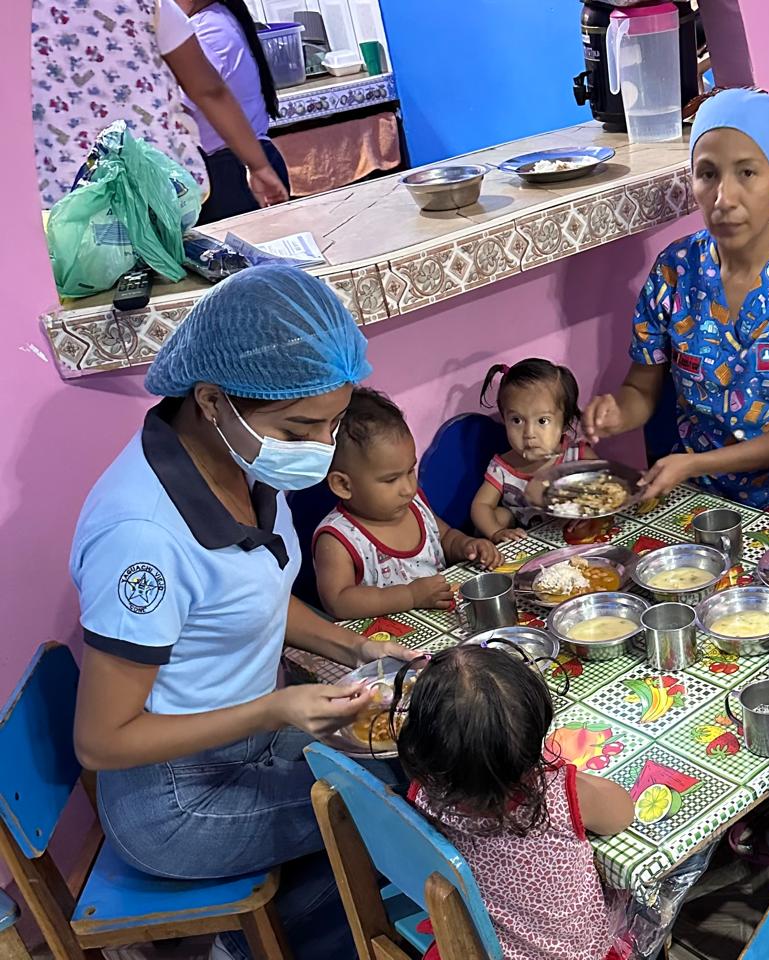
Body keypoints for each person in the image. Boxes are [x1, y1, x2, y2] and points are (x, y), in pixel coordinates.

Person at [69, 264, 407, 960]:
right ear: (212, 400)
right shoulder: (142, 536)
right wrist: (273, 710)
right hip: (175, 800)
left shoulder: (244, 461)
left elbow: (253, 597)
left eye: (334, 423)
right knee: (410, 799)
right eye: (301, 427)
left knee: (408, 759)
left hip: (250, 742)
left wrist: (354, 648)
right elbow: (101, 742)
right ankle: (247, 944)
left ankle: (268, 934)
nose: (320, 447)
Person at [582, 88, 769, 516]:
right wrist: (617, 413)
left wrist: (695, 464)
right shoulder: (675, 270)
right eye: (708, 174)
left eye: (747, 173)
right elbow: (641, 389)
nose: (724, 198)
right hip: (698, 495)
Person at [397, 644, 636, 960]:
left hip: (474, 947)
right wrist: (569, 775)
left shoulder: (425, 794)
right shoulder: (559, 795)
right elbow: (622, 813)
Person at [32, 0, 287, 210]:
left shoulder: (210, 27)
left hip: (63, 190)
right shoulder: (151, 6)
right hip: (155, 182)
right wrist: (258, 165)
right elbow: (207, 90)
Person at [314, 387, 500, 620]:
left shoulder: (414, 504)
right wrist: (410, 596)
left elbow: (445, 537)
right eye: (391, 480)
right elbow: (338, 602)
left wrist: (468, 546)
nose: (408, 488)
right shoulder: (338, 537)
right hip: (388, 638)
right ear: (343, 485)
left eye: (410, 471)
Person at [176, 0, 292, 223]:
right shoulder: (217, 19)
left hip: (233, 170)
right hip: (240, 164)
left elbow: (180, 105)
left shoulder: (207, 30)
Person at [471, 359, 596, 542]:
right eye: (517, 420)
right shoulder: (503, 468)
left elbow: (606, 488)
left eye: (542, 421)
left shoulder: (577, 456)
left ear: (564, 422)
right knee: (499, 516)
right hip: (526, 544)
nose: (529, 434)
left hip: (574, 535)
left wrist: (587, 507)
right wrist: (496, 532)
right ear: (504, 418)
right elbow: (481, 505)